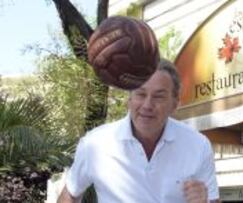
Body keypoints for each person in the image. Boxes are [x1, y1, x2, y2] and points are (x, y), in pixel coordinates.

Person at [57, 59, 220, 203]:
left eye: (158, 96)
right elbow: (70, 194)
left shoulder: (198, 146)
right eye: (141, 94)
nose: (147, 105)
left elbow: (213, 200)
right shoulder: (95, 144)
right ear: (129, 99)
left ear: (175, 104)